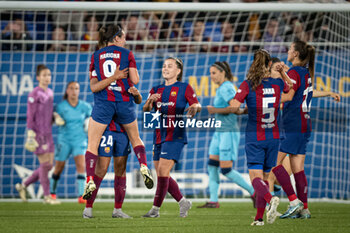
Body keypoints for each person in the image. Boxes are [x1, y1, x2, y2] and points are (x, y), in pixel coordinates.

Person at [83, 24, 153, 201]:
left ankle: (90, 178)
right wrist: (121, 76)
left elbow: (94, 87)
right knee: (136, 138)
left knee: (92, 144)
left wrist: (111, 78)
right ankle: (144, 165)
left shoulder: (95, 56)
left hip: (104, 103)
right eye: (123, 37)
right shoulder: (127, 54)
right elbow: (135, 80)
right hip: (123, 102)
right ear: (116, 38)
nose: (125, 40)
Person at [271, 41, 340, 219]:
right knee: (298, 169)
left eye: (291, 48)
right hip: (304, 123)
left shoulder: (294, 72)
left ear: (296, 54)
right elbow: (305, 92)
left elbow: (290, 93)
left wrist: (268, 98)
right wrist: (328, 93)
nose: (288, 50)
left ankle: (294, 202)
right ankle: (305, 209)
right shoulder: (304, 72)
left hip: (293, 123)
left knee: (273, 163)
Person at [231, 49, 293, 226]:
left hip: (255, 137)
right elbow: (290, 90)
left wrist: (239, 106)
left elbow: (235, 107)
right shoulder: (278, 84)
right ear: (269, 65)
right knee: (267, 178)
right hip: (273, 137)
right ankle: (259, 219)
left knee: (256, 179)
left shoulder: (247, 84)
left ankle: (270, 198)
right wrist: (282, 72)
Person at [142, 57, 201, 218]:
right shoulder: (156, 89)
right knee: (162, 174)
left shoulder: (184, 87)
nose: (165, 69)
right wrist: (149, 101)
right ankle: (183, 202)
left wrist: (195, 107)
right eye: (164, 66)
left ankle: (155, 210)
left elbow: (197, 104)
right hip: (159, 135)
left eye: (169, 66)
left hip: (176, 135)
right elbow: (146, 110)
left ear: (178, 71)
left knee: (162, 171)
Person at [197, 61, 255, 209]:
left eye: (214, 73)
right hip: (219, 132)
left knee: (226, 169)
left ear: (223, 73)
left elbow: (234, 107)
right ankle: (213, 200)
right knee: (212, 165)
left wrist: (214, 110)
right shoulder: (222, 88)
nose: (211, 76)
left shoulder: (227, 87)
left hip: (228, 132)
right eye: (210, 73)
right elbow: (239, 110)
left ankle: (254, 192)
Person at [82, 86, 142, 219]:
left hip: (122, 132)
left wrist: (136, 94)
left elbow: (138, 100)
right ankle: (88, 208)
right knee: (101, 169)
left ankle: (118, 210)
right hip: (107, 130)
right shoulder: (104, 81)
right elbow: (94, 88)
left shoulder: (126, 80)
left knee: (121, 169)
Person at [15, 64, 64, 204]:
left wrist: (55, 116)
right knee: (45, 165)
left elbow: (48, 112)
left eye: (49, 75)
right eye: (44, 75)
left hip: (48, 133)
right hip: (37, 134)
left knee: (48, 165)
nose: (47, 77)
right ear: (38, 77)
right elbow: (30, 114)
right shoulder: (34, 94)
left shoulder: (50, 92)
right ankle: (47, 197)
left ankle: (23, 185)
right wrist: (30, 133)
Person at [49, 81, 92, 204]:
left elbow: (91, 121)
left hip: (80, 140)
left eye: (76, 88)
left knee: (81, 166)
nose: (74, 91)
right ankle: (52, 193)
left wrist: (89, 124)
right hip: (64, 140)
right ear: (67, 91)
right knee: (59, 168)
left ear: (79, 91)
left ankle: (81, 196)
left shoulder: (85, 106)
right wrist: (56, 118)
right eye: (71, 88)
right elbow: (53, 120)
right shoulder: (61, 107)